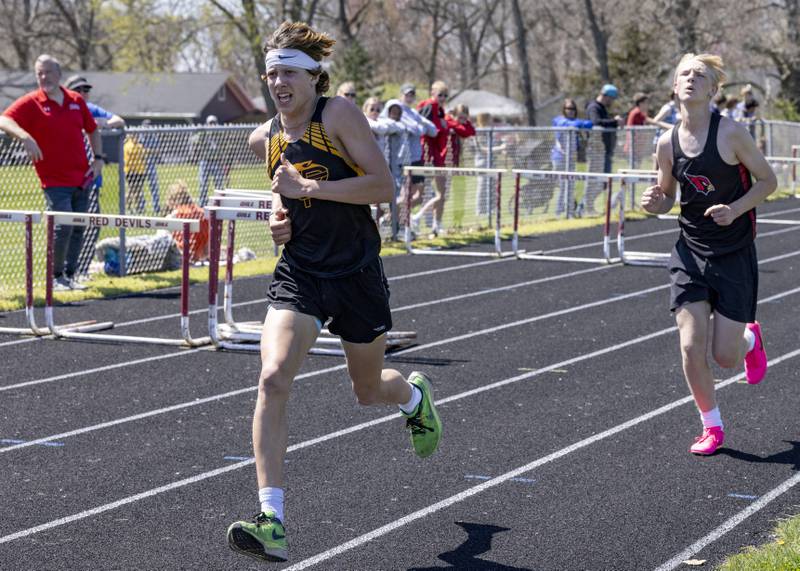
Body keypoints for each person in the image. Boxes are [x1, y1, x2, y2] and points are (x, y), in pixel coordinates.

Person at [225, 21, 442, 563]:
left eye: (289, 72)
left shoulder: (337, 115)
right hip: (300, 274)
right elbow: (286, 201)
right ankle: (272, 519)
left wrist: (311, 189)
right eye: (271, 72)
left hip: (356, 273)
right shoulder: (263, 139)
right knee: (272, 377)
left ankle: (413, 399)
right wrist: (281, 217)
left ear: (313, 77)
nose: (279, 82)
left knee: (367, 390)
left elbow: (384, 188)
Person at [641, 53, 775, 456]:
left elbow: (768, 181)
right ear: (674, 86)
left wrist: (735, 209)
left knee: (725, 356)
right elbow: (666, 198)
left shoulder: (732, 133)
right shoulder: (666, 142)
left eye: (700, 75)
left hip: (733, 252)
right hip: (690, 251)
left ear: (713, 89)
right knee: (689, 345)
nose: (691, 79)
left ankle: (751, 339)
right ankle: (711, 427)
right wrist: (654, 202)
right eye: (684, 73)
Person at [0, 54, 105, 291]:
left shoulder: (76, 99)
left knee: (79, 226)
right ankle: (55, 277)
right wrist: (25, 137)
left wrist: (98, 159)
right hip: (54, 180)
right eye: (39, 73)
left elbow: (93, 130)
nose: (43, 77)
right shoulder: (32, 101)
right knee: (62, 225)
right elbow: (4, 120)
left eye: (47, 72)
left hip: (82, 176)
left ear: (59, 74)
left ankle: (70, 275)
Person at [64, 74, 126, 279]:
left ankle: (80, 268)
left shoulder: (90, 110)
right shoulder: (63, 109)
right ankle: (64, 271)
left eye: (86, 90)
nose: (83, 94)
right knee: (67, 226)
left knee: (91, 225)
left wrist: (101, 124)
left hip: (91, 180)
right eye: (78, 90)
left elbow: (118, 120)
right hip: (66, 178)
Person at [395, 83, 437, 227]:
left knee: (419, 195)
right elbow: (417, 129)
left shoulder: (413, 112)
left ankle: (396, 217)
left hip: (417, 158)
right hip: (404, 158)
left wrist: (420, 127)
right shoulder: (397, 110)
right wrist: (420, 127)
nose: (409, 97)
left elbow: (433, 130)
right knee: (406, 194)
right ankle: (398, 220)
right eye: (407, 94)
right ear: (401, 95)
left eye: (412, 94)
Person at [413, 80, 451, 236]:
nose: (442, 98)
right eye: (439, 94)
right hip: (427, 156)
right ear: (432, 93)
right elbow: (426, 128)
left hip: (439, 157)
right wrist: (442, 125)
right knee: (418, 195)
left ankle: (436, 225)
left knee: (442, 193)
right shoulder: (429, 106)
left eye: (445, 95)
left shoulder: (441, 110)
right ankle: (402, 219)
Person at [582, 83, 623, 216]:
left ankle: (588, 206)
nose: (612, 102)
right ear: (606, 96)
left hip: (604, 149)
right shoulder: (594, 107)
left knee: (604, 182)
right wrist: (614, 122)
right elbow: (596, 122)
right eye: (611, 99)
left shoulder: (602, 107)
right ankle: (585, 207)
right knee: (594, 180)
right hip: (596, 150)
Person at [552, 98, 593, 217]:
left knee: (569, 185)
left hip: (571, 159)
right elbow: (565, 126)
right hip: (559, 157)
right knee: (564, 185)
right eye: (568, 108)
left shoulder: (577, 122)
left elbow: (589, 124)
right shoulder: (559, 121)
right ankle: (560, 211)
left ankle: (568, 210)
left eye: (573, 109)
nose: (570, 111)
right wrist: (578, 124)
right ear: (564, 109)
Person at [165, 180, 209, 263]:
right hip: (201, 255)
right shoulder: (203, 213)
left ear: (173, 201)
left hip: (181, 255)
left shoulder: (175, 215)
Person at [194, 114, 226, 206]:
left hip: (216, 161)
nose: (212, 125)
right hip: (205, 161)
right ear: (207, 124)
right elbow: (197, 140)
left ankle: (219, 202)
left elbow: (223, 145)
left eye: (214, 123)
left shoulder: (219, 133)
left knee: (219, 184)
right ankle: (202, 203)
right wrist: (203, 131)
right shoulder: (203, 133)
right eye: (210, 123)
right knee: (203, 184)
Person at [139, 119, 162, 214]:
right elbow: (138, 151)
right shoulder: (139, 137)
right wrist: (149, 151)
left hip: (151, 165)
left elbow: (158, 152)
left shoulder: (154, 138)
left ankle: (156, 207)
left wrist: (146, 150)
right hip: (140, 165)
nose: (147, 128)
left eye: (149, 126)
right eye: (146, 126)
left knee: (154, 187)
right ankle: (141, 207)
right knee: (139, 187)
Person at [445, 103, 476, 167]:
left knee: (449, 175)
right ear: (453, 115)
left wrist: (466, 124)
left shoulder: (462, 123)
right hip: (444, 154)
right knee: (441, 174)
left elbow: (473, 132)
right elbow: (465, 132)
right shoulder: (448, 121)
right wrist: (464, 125)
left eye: (465, 118)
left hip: (453, 153)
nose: (462, 120)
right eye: (460, 118)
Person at [123, 134, 147, 214]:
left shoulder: (139, 146)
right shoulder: (128, 146)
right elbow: (129, 158)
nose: (136, 138)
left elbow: (143, 156)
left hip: (140, 171)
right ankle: (128, 207)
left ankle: (138, 207)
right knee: (131, 190)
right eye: (135, 136)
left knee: (138, 190)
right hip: (131, 171)